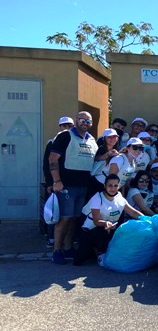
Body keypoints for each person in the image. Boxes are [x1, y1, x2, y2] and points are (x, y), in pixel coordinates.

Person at [49, 111, 99, 264]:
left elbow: (95, 159)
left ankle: (69, 248)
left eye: (88, 121)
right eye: (82, 120)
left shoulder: (92, 140)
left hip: (82, 186)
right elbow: (53, 159)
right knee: (64, 218)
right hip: (66, 185)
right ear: (77, 120)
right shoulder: (65, 136)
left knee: (73, 219)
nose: (85, 123)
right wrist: (56, 180)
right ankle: (57, 251)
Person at [74, 174, 142, 265]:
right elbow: (96, 221)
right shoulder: (97, 198)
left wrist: (147, 218)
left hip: (110, 228)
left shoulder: (119, 197)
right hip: (90, 230)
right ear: (105, 186)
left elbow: (133, 212)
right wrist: (106, 224)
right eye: (110, 185)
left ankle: (103, 252)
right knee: (79, 259)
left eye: (115, 186)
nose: (113, 188)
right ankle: (100, 254)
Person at [43, 116, 74, 247]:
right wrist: (51, 183)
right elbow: (47, 164)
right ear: (60, 127)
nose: (67, 128)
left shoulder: (74, 142)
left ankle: (66, 243)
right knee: (54, 211)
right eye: (64, 125)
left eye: (70, 125)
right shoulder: (52, 142)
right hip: (56, 183)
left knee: (67, 215)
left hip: (69, 183)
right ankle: (51, 238)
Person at [88, 128, 120, 200]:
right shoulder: (100, 149)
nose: (112, 139)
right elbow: (96, 158)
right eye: (109, 137)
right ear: (104, 138)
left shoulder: (117, 150)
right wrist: (108, 154)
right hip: (96, 182)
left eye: (115, 136)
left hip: (108, 183)